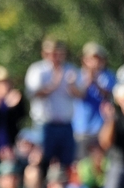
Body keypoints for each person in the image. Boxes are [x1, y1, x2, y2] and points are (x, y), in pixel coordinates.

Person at [25, 38, 84, 169]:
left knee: (66, 164)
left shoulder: (71, 70)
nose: (56, 57)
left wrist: (72, 86)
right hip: (44, 125)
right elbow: (33, 94)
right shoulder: (38, 70)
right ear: (45, 54)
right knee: (42, 163)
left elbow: (81, 95)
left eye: (59, 53)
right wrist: (53, 84)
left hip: (66, 125)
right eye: (52, 53)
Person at [73, 42, 116, 159]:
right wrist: (88, 81)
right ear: (84, 60)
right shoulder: (77, 75)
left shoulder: (109, 76)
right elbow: (79, 95)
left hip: (102, 129)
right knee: (81, 164)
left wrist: (95, 81)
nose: (95, 62)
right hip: (81, 128)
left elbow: (109, 95)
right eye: (91, 58)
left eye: (98, 58)